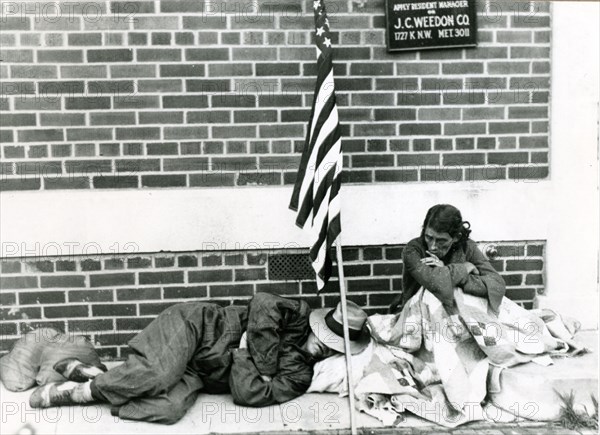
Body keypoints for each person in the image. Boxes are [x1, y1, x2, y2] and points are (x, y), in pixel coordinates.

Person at [29, 292, 370, 424]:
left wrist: (243, 351)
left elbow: (248, 394)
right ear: (319, 324)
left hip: (201, 374)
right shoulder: (296, 314)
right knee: (159, 375)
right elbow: (262, 303)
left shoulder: (298, 377)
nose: (326, 347)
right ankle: (76, 393)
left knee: (169, 410)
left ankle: (96, 377)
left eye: (336, 347)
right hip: (196, 328)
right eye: (327, 337)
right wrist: (263, 364)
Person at [390, 204, 506, 315]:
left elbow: (496, 285)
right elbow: (436, 284)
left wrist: (447, 271)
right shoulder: (413, 250)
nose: (433, 246)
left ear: (456, 237)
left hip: (461, 313)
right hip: (418, 313)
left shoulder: (467, 247)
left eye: (441, 241)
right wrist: (465, 267)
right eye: (429, 237)